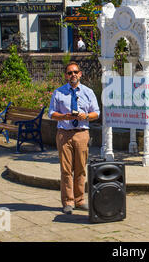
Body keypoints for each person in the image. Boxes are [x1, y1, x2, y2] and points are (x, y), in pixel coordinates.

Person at [48, 62, 100, 214]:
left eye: (75, 72)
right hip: (64, 133)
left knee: (81, 169)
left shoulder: (88, 92)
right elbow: (51, 113)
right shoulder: (58, 93)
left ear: (80, 74)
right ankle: (68, 202)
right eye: (69, 73)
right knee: (66, 170)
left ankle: (80, 200)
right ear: (66, 75)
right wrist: (64, 116)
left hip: (81, 133)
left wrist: (86, 116)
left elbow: (97, 112)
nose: (73, 75)